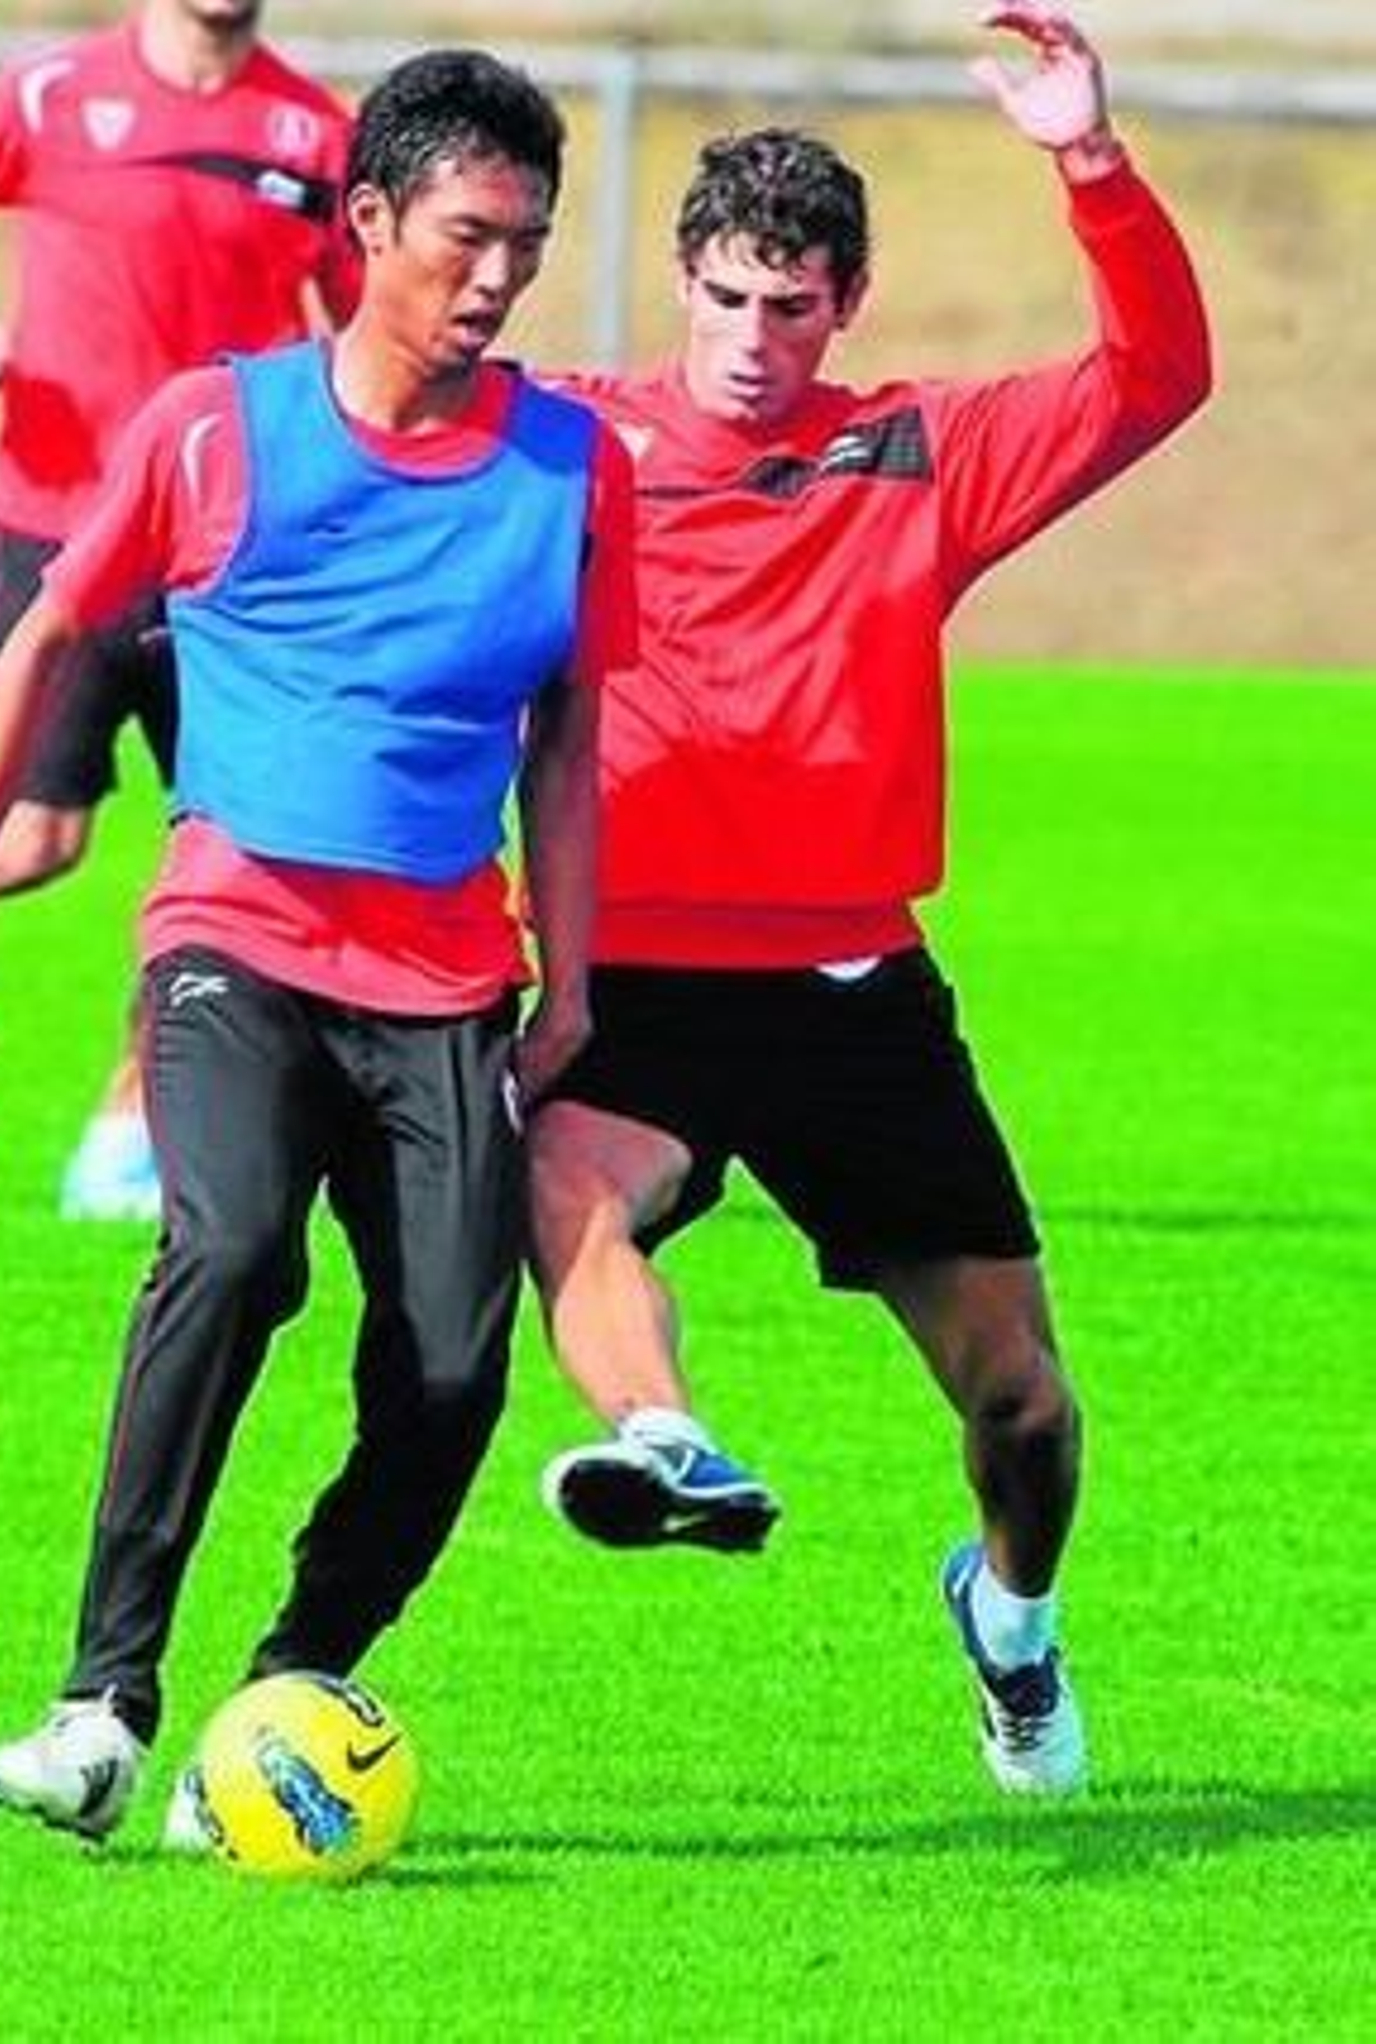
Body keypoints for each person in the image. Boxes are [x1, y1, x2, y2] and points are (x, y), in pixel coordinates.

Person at [0, 46, 635, 1846]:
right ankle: (98, 1706)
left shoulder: (568, 464)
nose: (499, 275)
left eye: (527, 242)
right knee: (223, 1253)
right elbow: (48, 636)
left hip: (448, 975)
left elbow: (572, 737)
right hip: (237, 937)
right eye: (467, 235)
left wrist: (573, 977)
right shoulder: (217, 427)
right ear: (367, 222)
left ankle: (289, 1683)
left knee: (451, 1366)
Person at [528, 1, 1212, 1797]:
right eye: (730, 296)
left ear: (843, 306)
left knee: (1026, 1409)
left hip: (855, 989)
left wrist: (1088, 158)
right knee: (579, 1204)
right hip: (640, 976)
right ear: (680, 280)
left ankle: (1010, 1616)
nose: (756, 338)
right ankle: (663, 1435)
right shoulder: (569, 444)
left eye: (794, 304)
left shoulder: (916, 450)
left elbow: (1156, 378)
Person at [0, 0, 362, 1221]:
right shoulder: (49, 94)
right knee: (38, 839)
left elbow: (365, 335)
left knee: (238, 846)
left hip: (229, 550)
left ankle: (129, 1118)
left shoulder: (316, 136)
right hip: (59, 522)